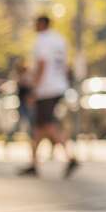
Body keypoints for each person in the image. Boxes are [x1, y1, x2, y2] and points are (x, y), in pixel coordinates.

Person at [22, 15, 78, 177]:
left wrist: (34, 88)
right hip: (57, 86)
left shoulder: (43, 40)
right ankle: (33, 163)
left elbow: (42, 64)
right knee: (39, 128)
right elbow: (65, 66)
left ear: (41, 24)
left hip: (46, 89)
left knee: (48, 126)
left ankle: (71, 158)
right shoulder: (59, 39)